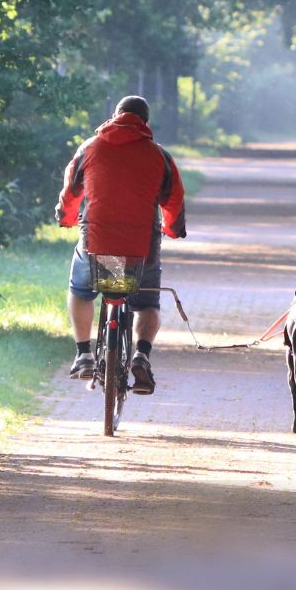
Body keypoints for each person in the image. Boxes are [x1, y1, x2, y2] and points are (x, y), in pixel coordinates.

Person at [55, 95, 186, 394]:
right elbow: (174, 199)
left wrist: (66, 217)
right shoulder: (158, 155)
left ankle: (84, 354)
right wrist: (173, 228)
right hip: (142, 250)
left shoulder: (90, 148)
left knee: (81, 291)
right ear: (146, 123)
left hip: (97, 245)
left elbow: (71, 190)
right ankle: (141, 355)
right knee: (147, 304)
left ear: (114, 116)